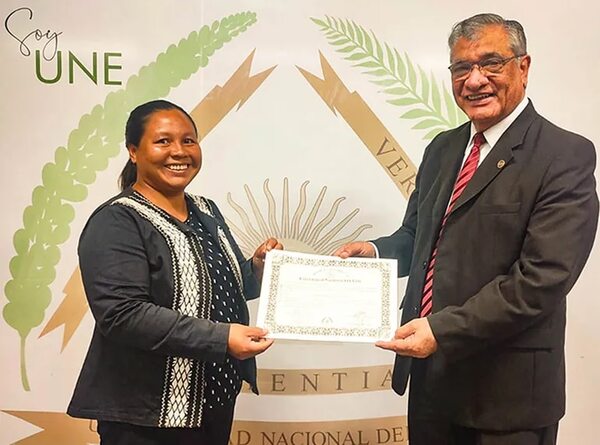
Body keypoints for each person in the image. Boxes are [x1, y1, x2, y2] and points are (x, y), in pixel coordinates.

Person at [335, 13, 598, 445]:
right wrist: (374, 252)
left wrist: (441, 329)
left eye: (491, 63)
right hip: (433, 387)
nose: (475, 80)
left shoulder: (563, 154)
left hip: (508, 397)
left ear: (524, 67)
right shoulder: (442, 148)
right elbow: (419, 236)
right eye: (461, 67)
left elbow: (542, 279)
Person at [67, 99, 282, 445]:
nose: (179, 152)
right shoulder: (118, 220)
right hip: (147, 415)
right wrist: (223, 338)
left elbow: (220, 285)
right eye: (163, 141)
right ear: (134, 151)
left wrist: (256, 268)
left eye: (188, 140)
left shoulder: (205, 209)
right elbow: (122, 315)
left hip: (213, 403)